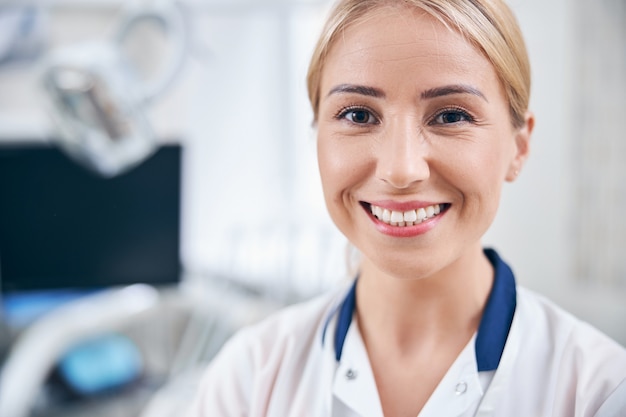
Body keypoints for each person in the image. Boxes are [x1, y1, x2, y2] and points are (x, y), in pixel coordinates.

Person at [186, 0, 626, 415]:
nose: (400, 170)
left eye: (451, 115)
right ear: (316, 134)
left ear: (519, 146)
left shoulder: (598, 391)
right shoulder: (247, 382)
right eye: (358, 115)